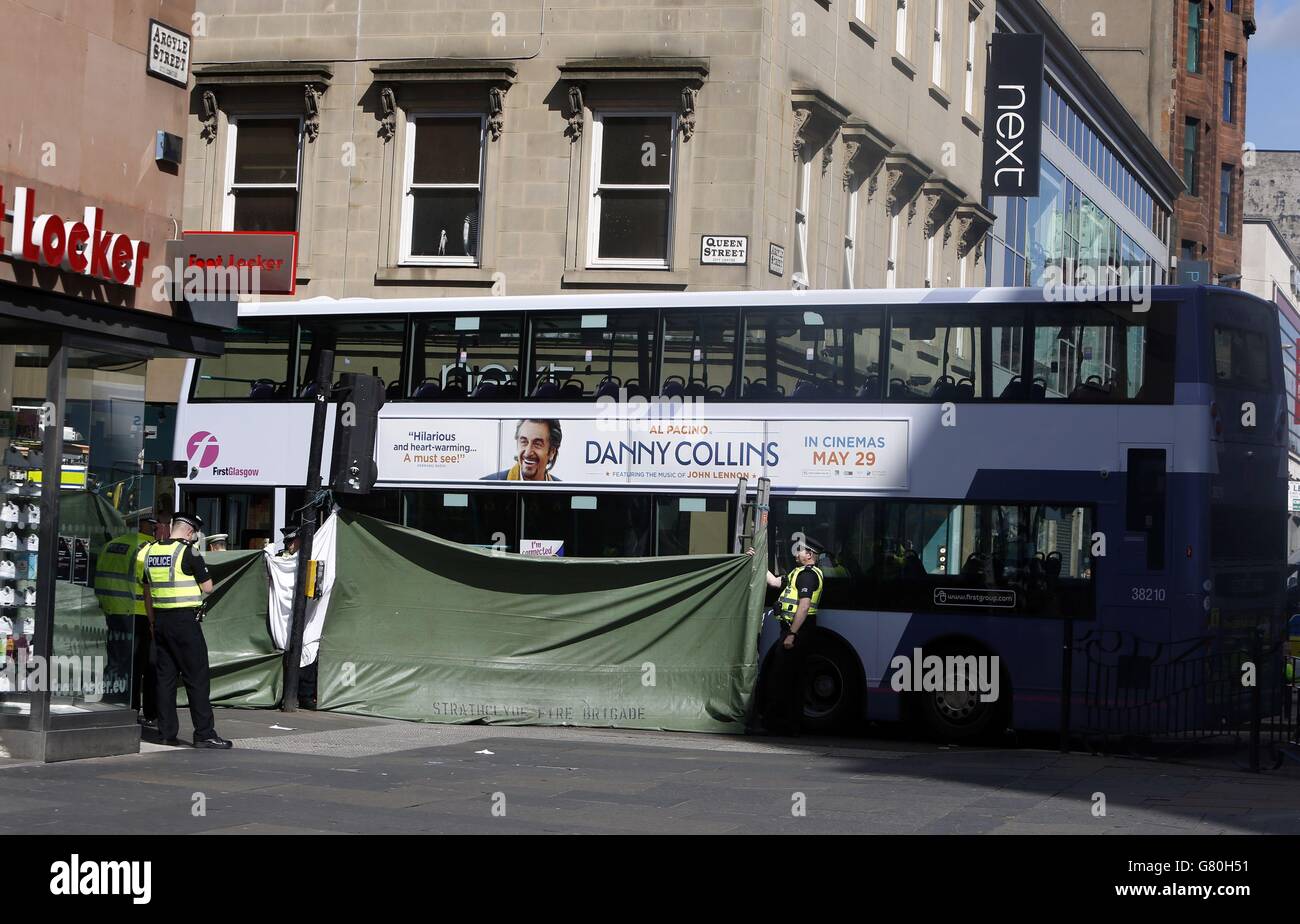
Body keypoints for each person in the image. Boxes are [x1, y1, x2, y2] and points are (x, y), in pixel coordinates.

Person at [141, 512, 232, 749]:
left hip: (160, 621)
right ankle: (204, 733)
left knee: (165, 679)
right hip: (184, 623)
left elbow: (147, 592)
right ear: (190, 532)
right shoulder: (189, 552)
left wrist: (152, 623)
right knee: (197, 678)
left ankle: (165, 732)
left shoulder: (151, 552)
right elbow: (208, 588)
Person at [747, 537, 825, 736]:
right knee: (790, 678)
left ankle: (775, 725)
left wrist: (791, 634)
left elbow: (804, 606)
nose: (796, 553)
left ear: (809, 555)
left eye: (800, 550)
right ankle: (790, 726)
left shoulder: (807, 576)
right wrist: (757, 560)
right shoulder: (797, 572)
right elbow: (774, 582)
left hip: (797, 632)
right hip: (794, 631)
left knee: (781, 678)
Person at [95, 516, 158, 723]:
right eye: (156, 526)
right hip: (139, 613)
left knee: (117, 662)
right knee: (145, 665)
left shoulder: (111, 545)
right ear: (146, 526)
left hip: (113, 611)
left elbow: (100, 578)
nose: (158, 531)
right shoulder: (146, 548)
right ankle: (144, 712)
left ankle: (113, 705)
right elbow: (149, 585)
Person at [482, 419, 562, 481]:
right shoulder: (484, 490)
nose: (527, 453)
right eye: (524, 442)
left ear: (552, 452)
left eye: (537, 444)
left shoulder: (563, 493)